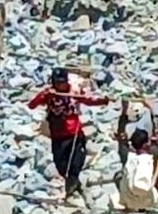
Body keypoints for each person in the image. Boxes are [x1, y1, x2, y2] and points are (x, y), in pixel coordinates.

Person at [27, 68, 110, 198]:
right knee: (61, 165)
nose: (61, 85)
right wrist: (44, 94)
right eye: (58, 82)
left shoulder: (74, 91)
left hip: (74, 133)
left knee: (77, 161)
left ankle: (74, 185)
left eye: (63, 82)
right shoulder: (50, 94)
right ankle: (71, 184)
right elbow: (32, 105)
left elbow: (87, 100)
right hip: (57, 135)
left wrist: (104, 101)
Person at [117, 97, 158, 210]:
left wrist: (124, 109)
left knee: (119, 175)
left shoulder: (127, 155)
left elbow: (121, 134)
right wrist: (152, 109)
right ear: (147, 142)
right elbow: (157, 133)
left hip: (128, 200)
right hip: (149, 200)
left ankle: (129, 206)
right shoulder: (152, 154)